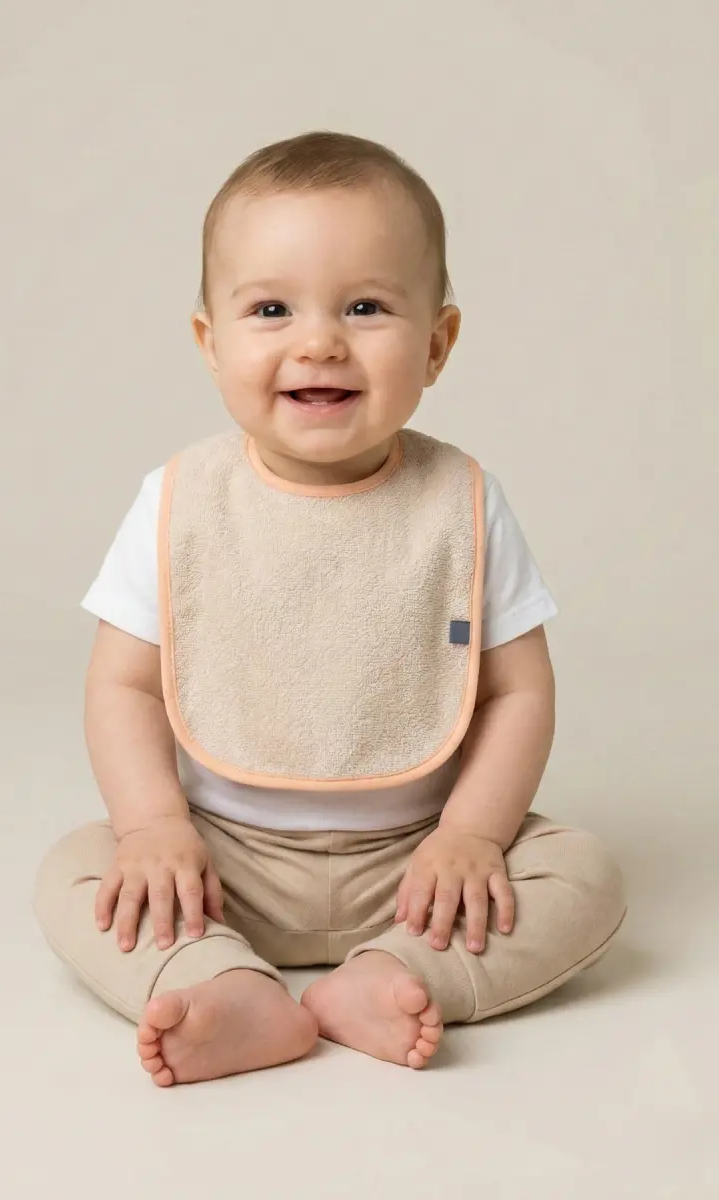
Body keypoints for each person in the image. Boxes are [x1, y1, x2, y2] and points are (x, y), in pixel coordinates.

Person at [33, 130, 626, 1087]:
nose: (319, 341)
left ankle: (397, 973)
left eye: (366, 307)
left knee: (584, 874)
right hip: (220, 861)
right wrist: (151, 828)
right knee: (79, 870)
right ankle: (221, 981)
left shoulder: (463, 504)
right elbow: (124, 686)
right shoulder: (179, 502)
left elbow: (519, 691)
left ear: (436, 344)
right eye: (271, 309)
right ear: (211, 343)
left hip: (421, 864)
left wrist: (473, 834)